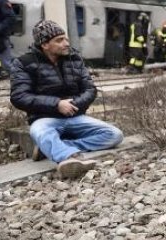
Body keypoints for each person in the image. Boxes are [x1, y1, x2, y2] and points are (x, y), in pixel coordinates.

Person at [10, 20, 124, 179]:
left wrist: (73, 105)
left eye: (66, 39)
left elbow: (90, 89)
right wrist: (56, 104)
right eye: (59, 40)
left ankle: (61, 147)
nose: (66, 43)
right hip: (44, 119)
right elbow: (19, 96)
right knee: (40, 132)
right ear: (44, 44)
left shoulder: (74, 59)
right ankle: (69, 158)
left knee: (114, 135)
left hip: (75, 116)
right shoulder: (24, 63)